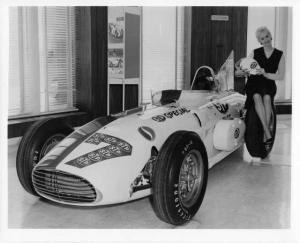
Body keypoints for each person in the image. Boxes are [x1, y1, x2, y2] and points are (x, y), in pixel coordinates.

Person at [236, 26, 285, 146]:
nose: (266, 40)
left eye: (267, 36)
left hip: (268, 82)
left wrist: (266, 73)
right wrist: (242, 71)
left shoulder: (280, 55)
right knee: (257, 96)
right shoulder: (254, 52)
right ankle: (266, 131)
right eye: (262, 38)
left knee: (267, 98)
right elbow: (243, 66)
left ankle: (265, 131)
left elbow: (281, 76)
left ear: (271, 36)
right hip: (254, 82)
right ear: (260, 41)